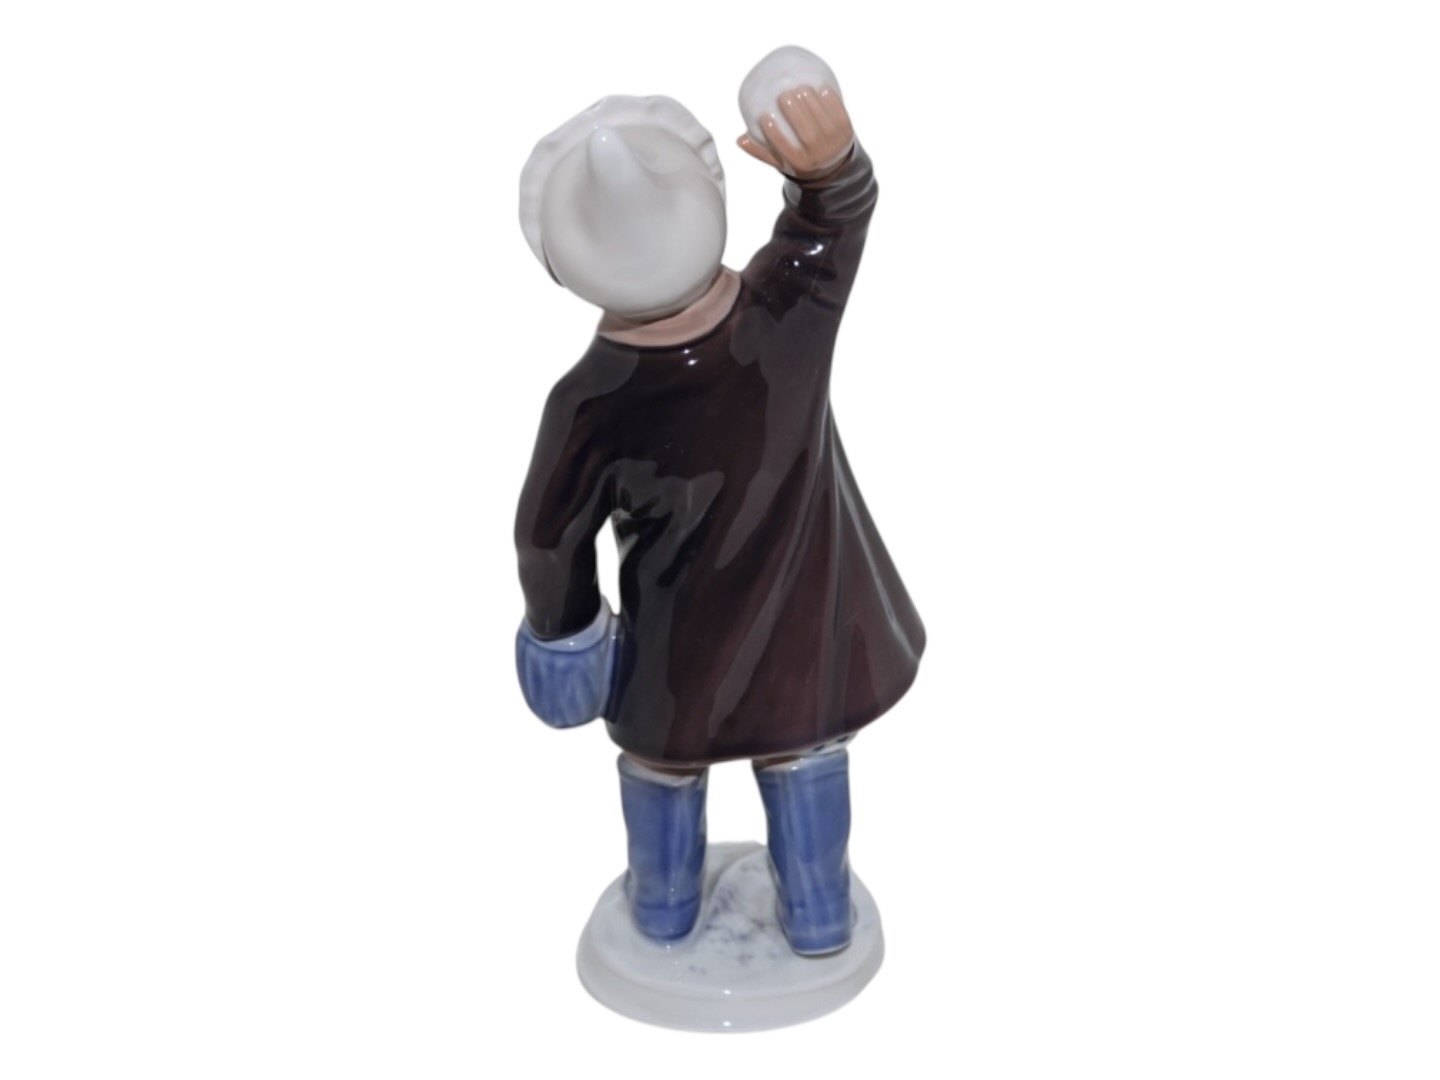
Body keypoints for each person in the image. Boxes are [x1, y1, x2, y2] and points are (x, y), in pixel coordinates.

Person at [513, 46, 925, 956]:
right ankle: (818, 914)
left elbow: (546, 542)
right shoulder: (786, 315)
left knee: (662, 764)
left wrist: (567, 635)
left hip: (673, 653)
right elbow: (833, 223)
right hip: (806, 635)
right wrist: (831, 169)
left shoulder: (587, 402)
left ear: (563, 266)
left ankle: (662, 910)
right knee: (804, 753)